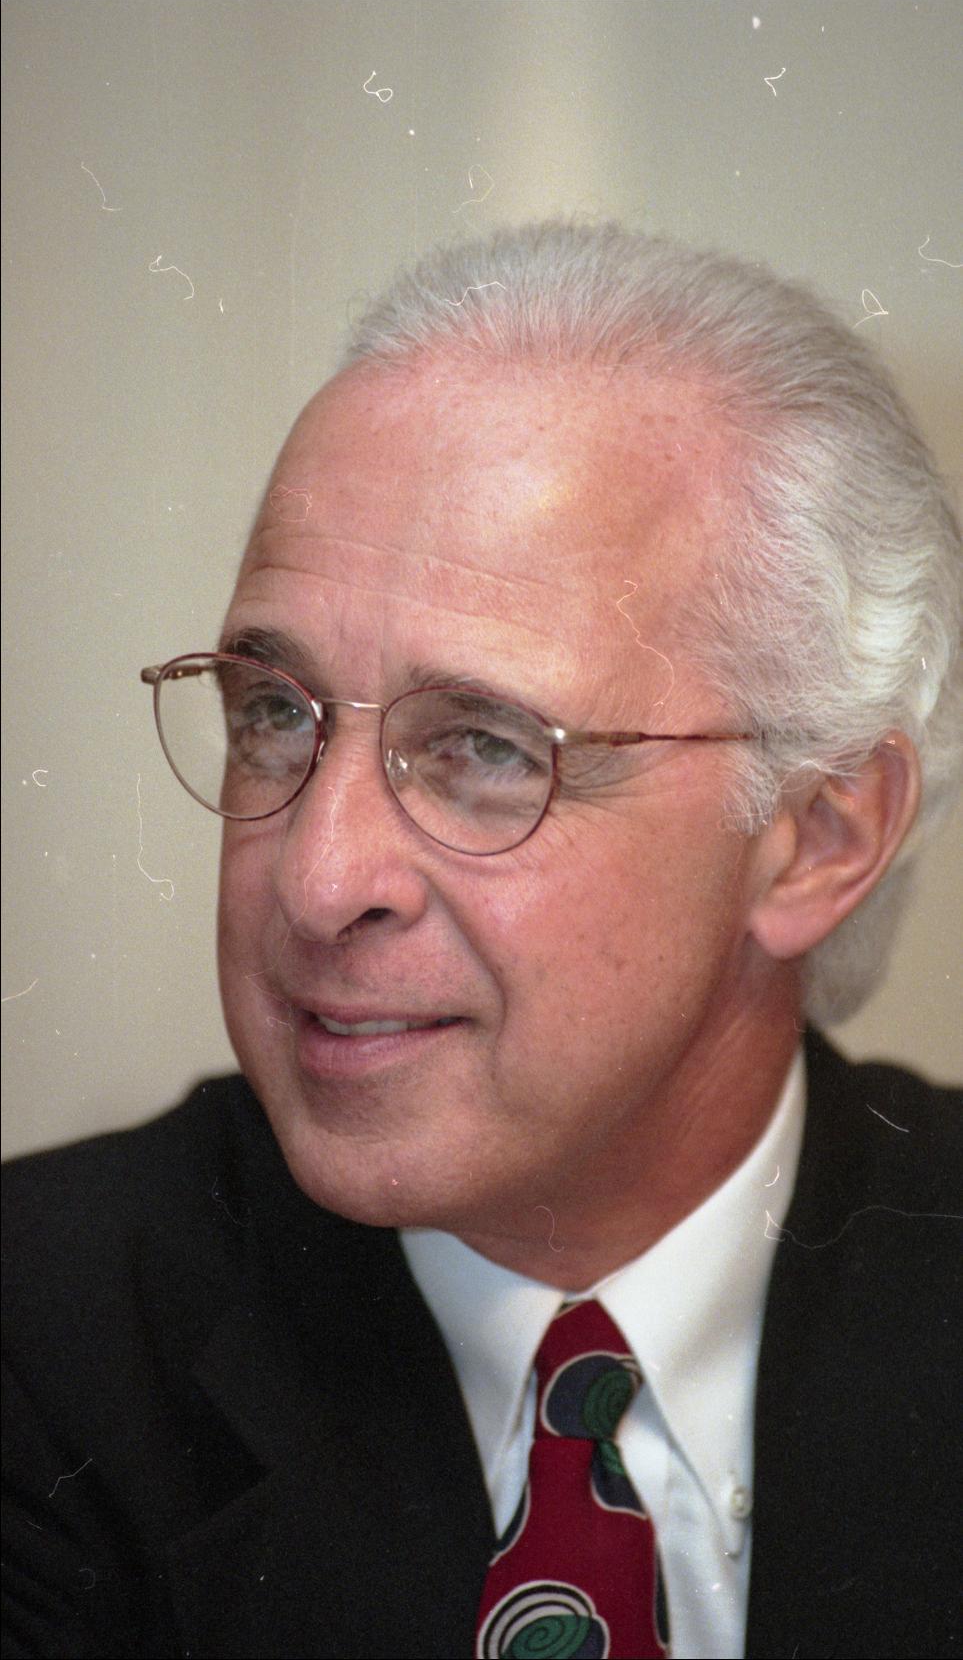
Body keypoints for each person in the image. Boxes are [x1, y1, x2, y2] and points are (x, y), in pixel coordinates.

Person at [3, 218, 961, 1660]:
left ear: (820, 832)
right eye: (275, 714)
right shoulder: (42, 1342)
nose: (317, 880)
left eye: (487, 748)